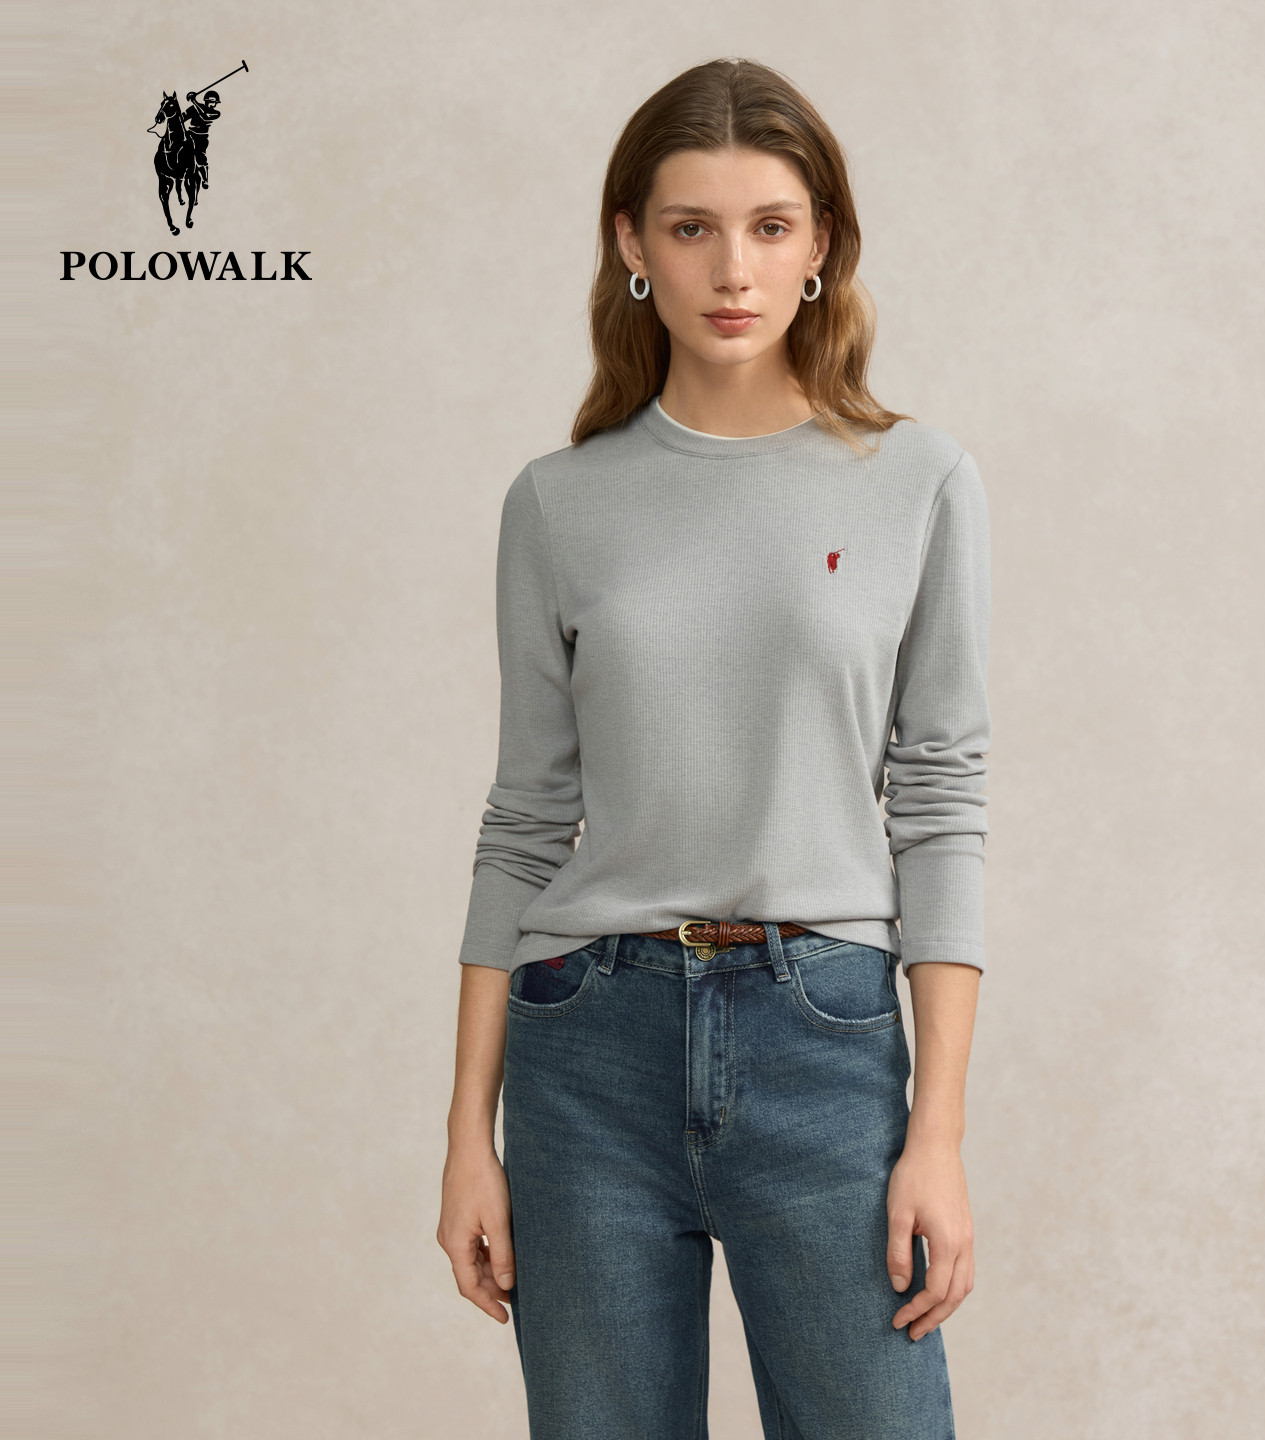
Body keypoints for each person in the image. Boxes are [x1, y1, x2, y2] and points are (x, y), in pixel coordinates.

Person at [438, 56, 991, 1440]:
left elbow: (939, 802)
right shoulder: (558, 504)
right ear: (632, 242)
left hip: (826, 1043)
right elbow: (524, 822)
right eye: (691, 227)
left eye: (770, 226)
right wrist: (467, 1138)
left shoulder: (918, 481)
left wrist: (937, 1134)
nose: (731, 270)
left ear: (822, 246)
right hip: (587, 1053)